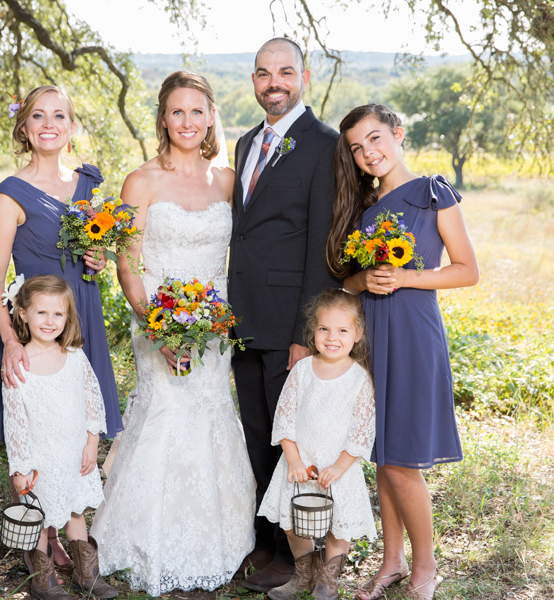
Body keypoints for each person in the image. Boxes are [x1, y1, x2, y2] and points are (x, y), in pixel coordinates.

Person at [89, 71, 256, 596]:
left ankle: (223, 539)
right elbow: (128, 265)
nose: (187, 121)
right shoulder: (142, 181)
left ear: (211, 117)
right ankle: (146, 538)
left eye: (197, 111)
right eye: (177, 112)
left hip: (214, 323)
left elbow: (240, 257)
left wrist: (215, 318)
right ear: (163, 118)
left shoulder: (228, 181)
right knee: (164, 411)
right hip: (156, 319)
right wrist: (155, 326)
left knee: (210, 410)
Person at [326, 104, 479, 600]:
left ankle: (426, 568)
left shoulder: (434, 194)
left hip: (413, 334)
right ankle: (391, 562)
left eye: (375, 139)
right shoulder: (367, 211)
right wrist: (363, 279)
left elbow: (466, 270)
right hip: (373, 337)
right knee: (381, 453)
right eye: (356, 147)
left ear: (398, 134)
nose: (368, 152)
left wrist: (407, 277)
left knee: (400, 461)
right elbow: (348, 282)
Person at [0, 85, 123, 576]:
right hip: (34, 328)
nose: (49, 124)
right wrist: (11, 341)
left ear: (71, 125)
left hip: (80, 316)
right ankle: (38, 540)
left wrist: (98, 258)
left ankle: (69, 525)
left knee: (76, 419)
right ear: (24, 127)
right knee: (38, 426)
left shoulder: (88, 184)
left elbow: (98, 252)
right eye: (38, 116)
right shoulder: (11, 194)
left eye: (59, 115)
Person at [228, 37, 341, 592]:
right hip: (242, 318)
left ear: (305, 76)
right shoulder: (246, 141)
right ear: (253, 80)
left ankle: (293, 552)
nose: (274, 82)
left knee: (287, 438)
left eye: (285, 72)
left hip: (288, 322)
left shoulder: (325, 144)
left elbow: (322, 241)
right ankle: (265, 540)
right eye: (263, 73)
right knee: (254, 432)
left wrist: (306, 334)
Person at [2, 275, 118, 600]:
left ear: (68, 317)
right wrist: (20, 467)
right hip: (40, 460)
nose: (50, 321)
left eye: (58, 314)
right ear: (22, 313)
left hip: (73, 454)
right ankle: (43, 580)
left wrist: (92, 441)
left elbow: (93, 399)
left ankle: (87, 574)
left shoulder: (74, 356)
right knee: (38, 516)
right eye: (41, 313)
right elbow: (15, 422)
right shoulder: (18, 365)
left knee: (76, 511)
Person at [258, 289, 377, 600]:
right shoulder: (302, 370)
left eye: (342, 330)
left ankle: (328, 580)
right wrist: (294, 460)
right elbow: (284, 417)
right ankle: (304, 575)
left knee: (338, 527)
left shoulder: (359, 378)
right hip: (300, 463)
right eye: (324, 329)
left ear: (358, 334)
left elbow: (362, 431)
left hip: (338, 468)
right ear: (312, 331)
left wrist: (339, 467)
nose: (331, 337)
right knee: (293, 523)